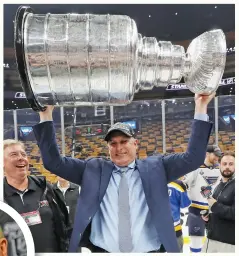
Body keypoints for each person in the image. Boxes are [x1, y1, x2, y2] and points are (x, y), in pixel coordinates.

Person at [33, 93, 214, 253]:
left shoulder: (158, 167)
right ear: (108, 147)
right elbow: (53, 162)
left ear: (135, 144)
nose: (118, 148)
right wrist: (45, 114)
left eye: (124, 141)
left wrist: (200, 107)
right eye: (113, 143)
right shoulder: (92, 169)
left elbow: (193, 158)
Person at [3, 139, 70, 253]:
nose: (21, 158)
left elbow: (66, 224)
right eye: (14, 154)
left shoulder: (46, 188)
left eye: (23, 154)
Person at [182, 145, 222, 252]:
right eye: (215, 155)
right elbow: (184, 185)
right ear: (207, 154)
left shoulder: (220, 170)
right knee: (196, 246)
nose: (217, 158)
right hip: (196, 211)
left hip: (214, 211)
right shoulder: (195, 168)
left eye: (218, 156)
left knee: (214, 245)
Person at [201, 151, 235, 253]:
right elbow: (216, 211)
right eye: (224, 164)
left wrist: (215, 205)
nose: (227, 167)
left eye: (231, 164)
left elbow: (234, 213)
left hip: (228, 244)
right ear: (219, 166)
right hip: (211, 239)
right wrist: (207, 219)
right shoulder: (218, 186)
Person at [168, 179, 191, 252]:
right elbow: (185, 204)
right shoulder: (178, 185)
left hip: (154, 229)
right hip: (174, 228)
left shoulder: (152, 183)